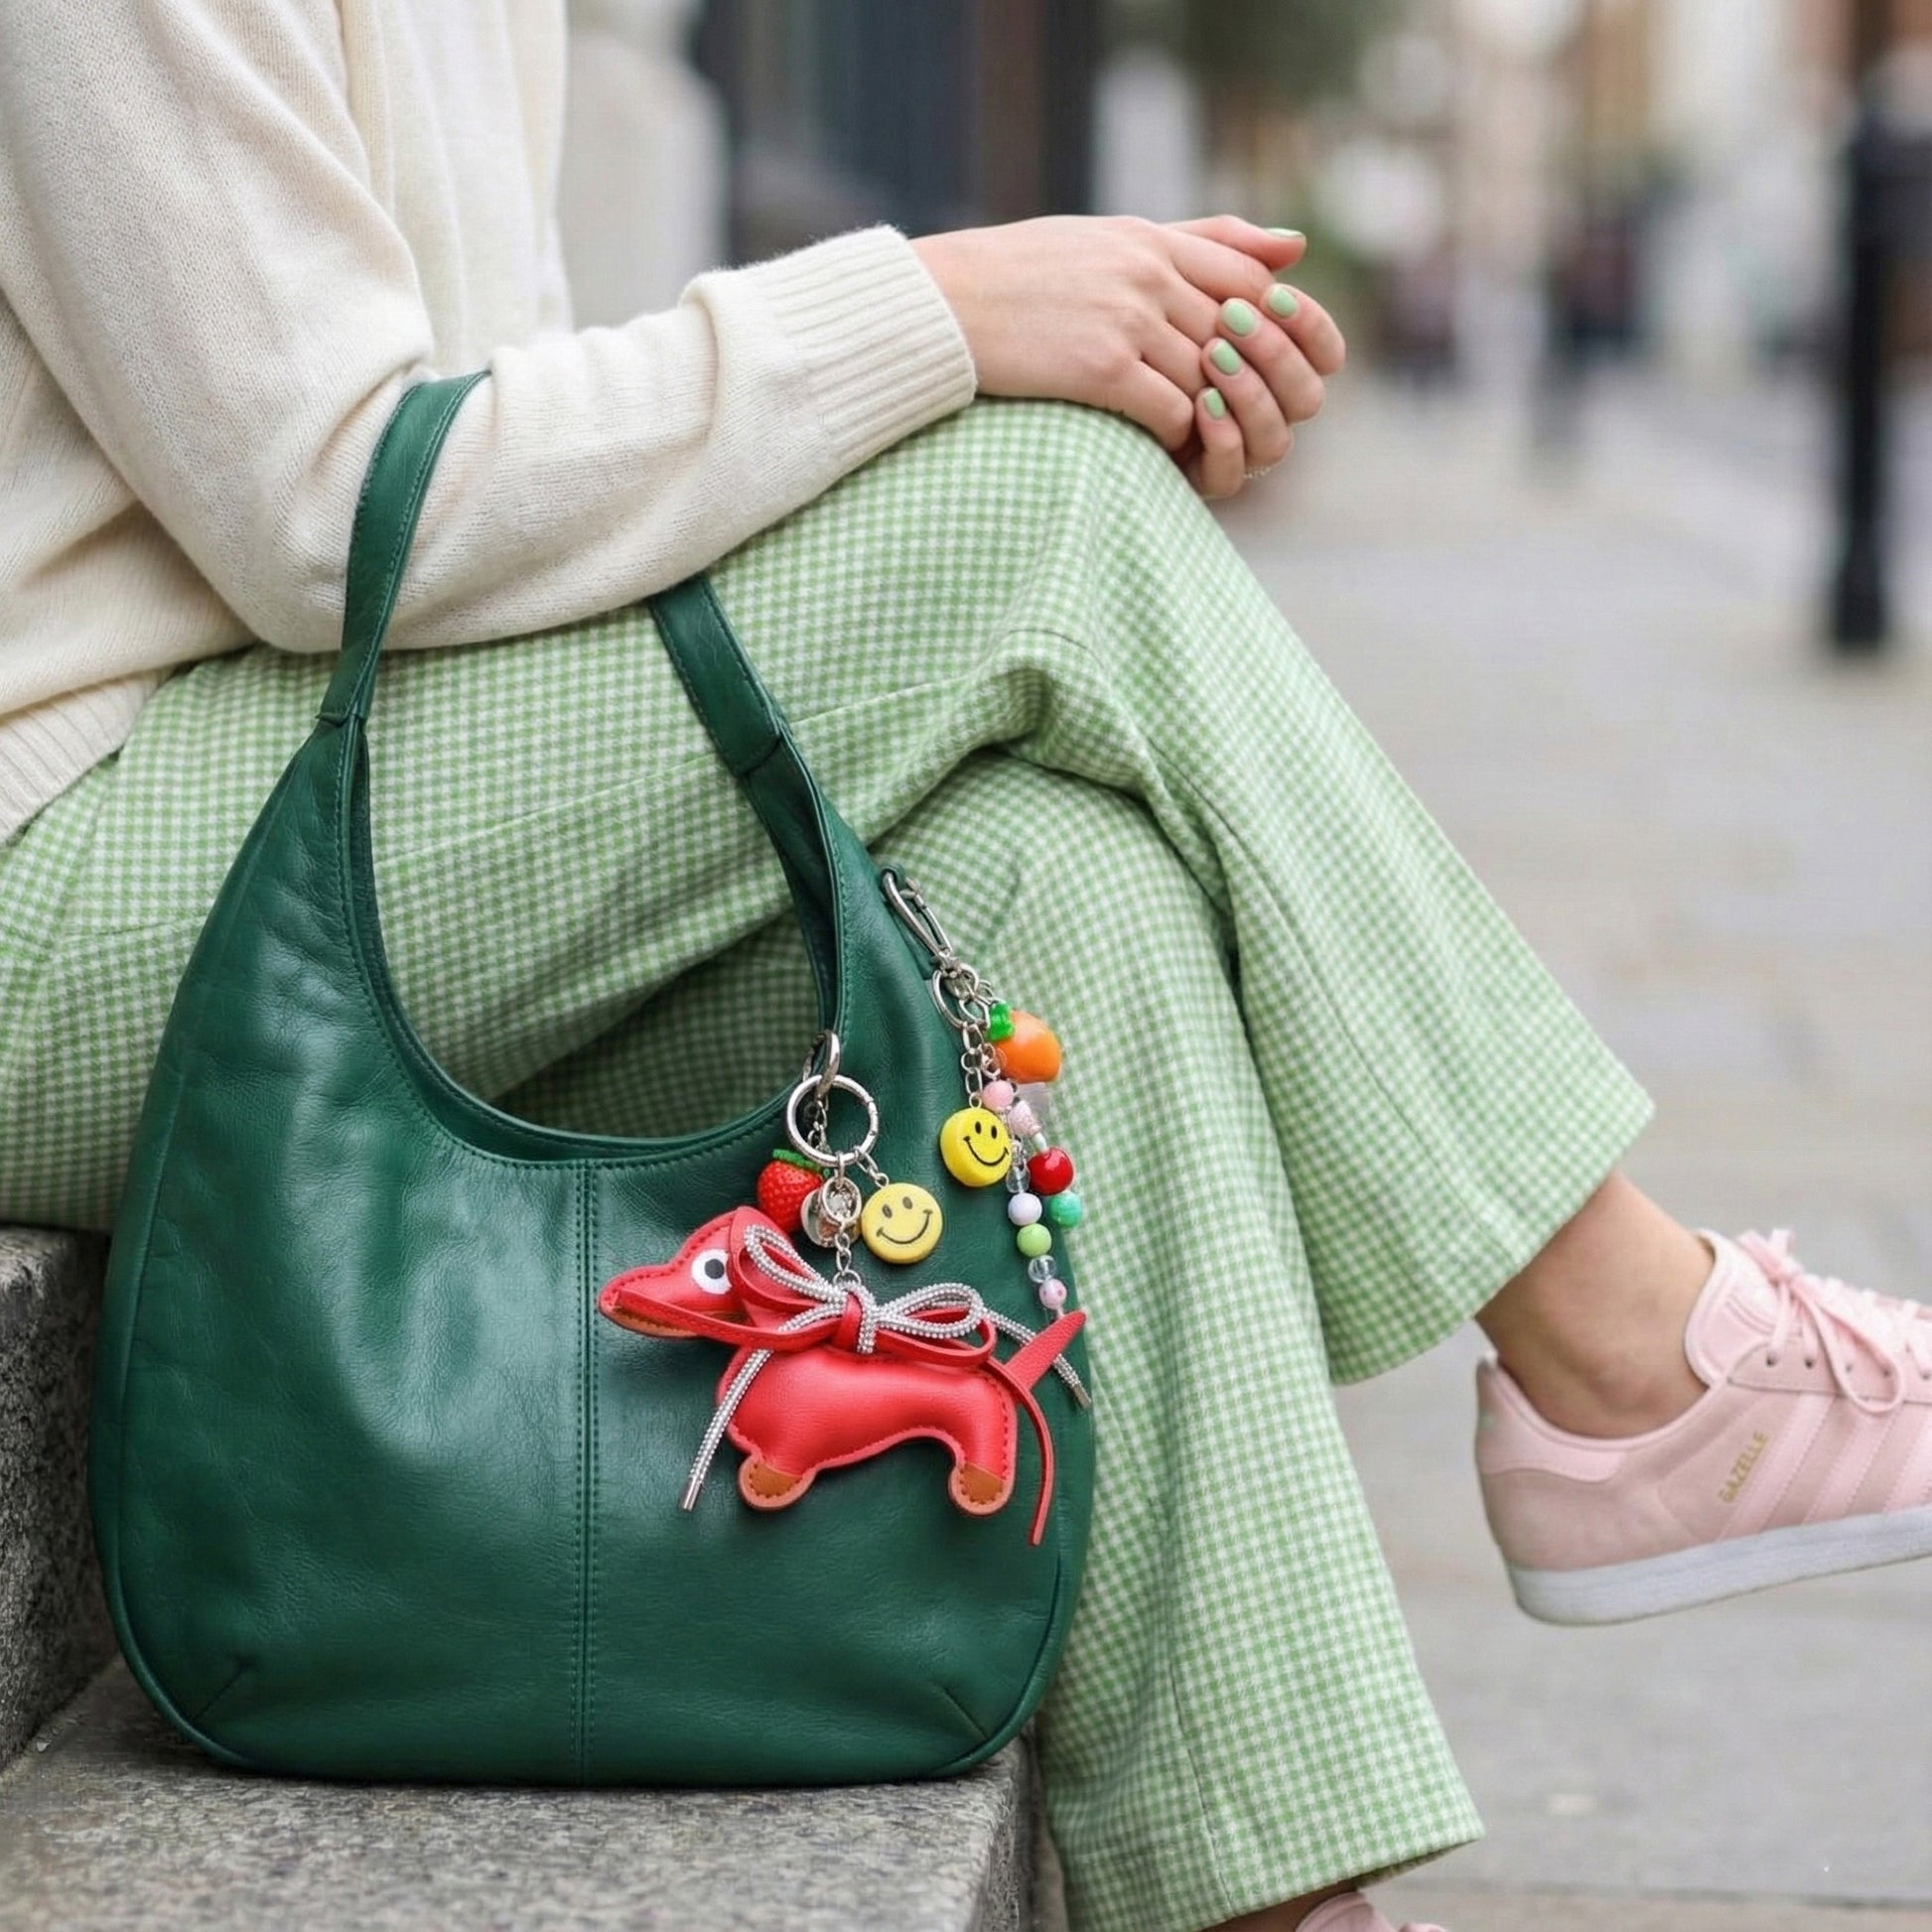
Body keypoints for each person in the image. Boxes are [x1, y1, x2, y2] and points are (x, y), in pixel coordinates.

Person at [2, 9, 1928, 1932]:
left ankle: (1270, 1906)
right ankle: (1623, 1344)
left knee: (1053, 881)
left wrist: (961, 372)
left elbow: (506, 465)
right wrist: (931, 324)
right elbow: (329, 502)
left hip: (308, 792)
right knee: (1046, 511)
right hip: (70, 867)